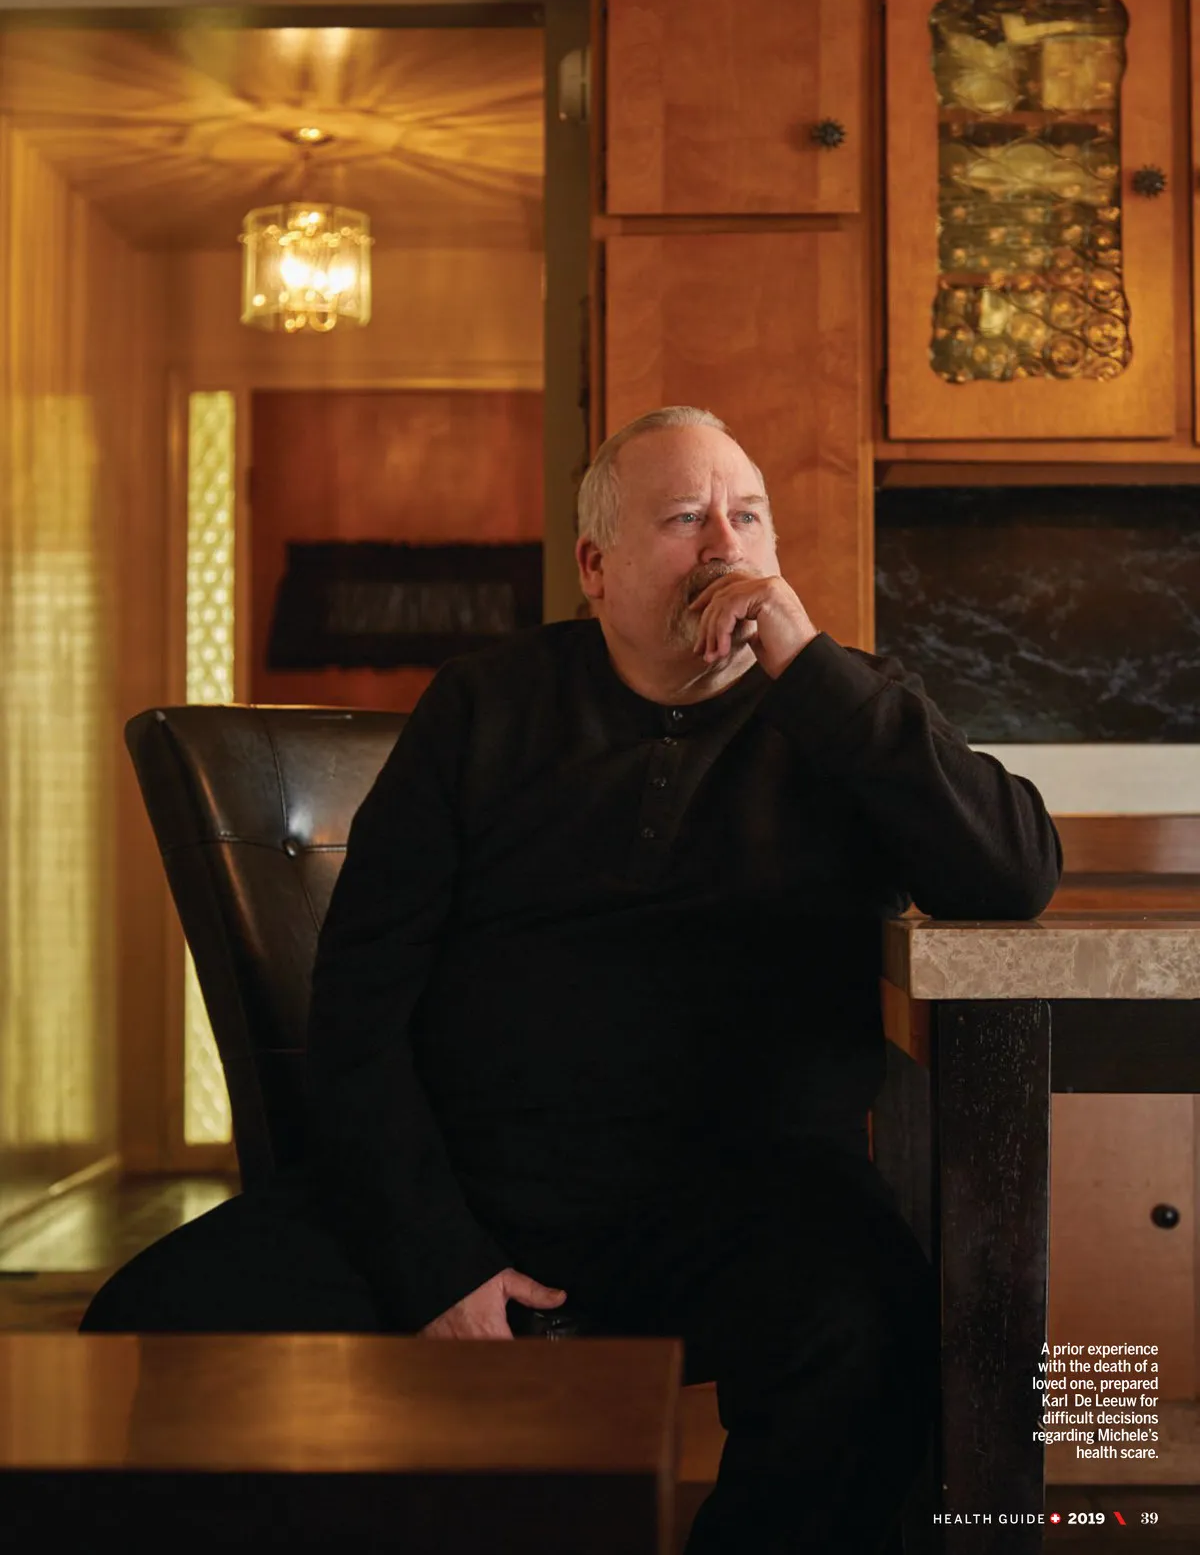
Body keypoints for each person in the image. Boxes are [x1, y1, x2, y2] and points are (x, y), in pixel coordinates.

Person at [82, 406, 1063, 1554]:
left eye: (749, 516)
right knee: (151, 1320)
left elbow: (1013, 872)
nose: (726, 546)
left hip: (747, 1197)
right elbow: (357, 1005)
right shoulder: (484, 704)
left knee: (870, 1329)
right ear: (596, 567)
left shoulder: (846, 712)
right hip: (478, 1185)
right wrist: (436, 1261)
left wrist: (818, 673)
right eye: (685, 517)